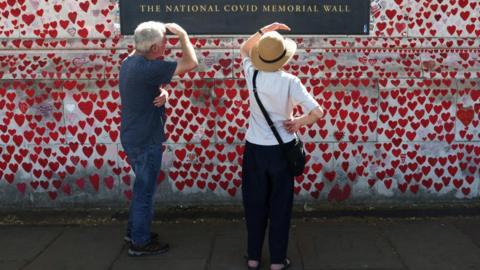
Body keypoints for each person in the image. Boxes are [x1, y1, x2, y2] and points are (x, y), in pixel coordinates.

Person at [239, 23, 324, 270]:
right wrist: (298, 122)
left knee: (254, 204)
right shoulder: (290, 81)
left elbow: (244, 49)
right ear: (283, 58)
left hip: (255, 150)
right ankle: (277, 260)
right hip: (282, 151)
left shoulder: (251, 73)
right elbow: (317, 112)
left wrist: (264, 30)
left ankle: (253, 257)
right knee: (280, 205)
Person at [119, 21, 198, 256]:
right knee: (145, 192)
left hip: (133, 136)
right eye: (164, 42)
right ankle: (140, 243)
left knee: (141, 186)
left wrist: (163, 92)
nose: (167, 45)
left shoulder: (130, 63)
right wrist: (183, 34)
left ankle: (134, 231)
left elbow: (148, 86)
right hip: (145, 140)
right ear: (154, 47)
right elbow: (191, 63)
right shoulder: (148, 69)